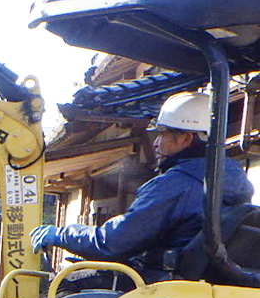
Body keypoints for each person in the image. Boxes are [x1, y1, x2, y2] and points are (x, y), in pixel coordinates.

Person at [30, 91, 254, 282]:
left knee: (71, 289)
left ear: (185, 138)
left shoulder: (177, 184)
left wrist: (60, 234)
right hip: (197, 287)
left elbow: (114, 241)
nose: (156, 142)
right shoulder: (234, 182)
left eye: (163, 134)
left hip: (163, 284)